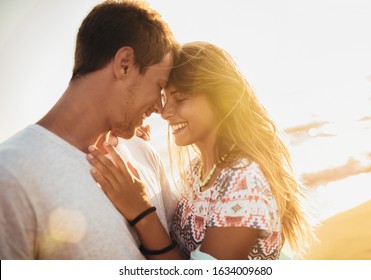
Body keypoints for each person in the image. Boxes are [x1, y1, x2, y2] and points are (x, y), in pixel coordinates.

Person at [87, 41, 314, 260]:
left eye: (180, 98)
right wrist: (134, 144)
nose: (165, 112)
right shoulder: (199, 170)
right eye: (166, 98)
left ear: (222, 99)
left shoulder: (246, 185)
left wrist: (141, 212)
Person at [0, 0, 178, 259]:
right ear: (124, 64)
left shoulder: (144, 155)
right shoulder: (12, 175)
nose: (159, 108)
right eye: (158, 86)